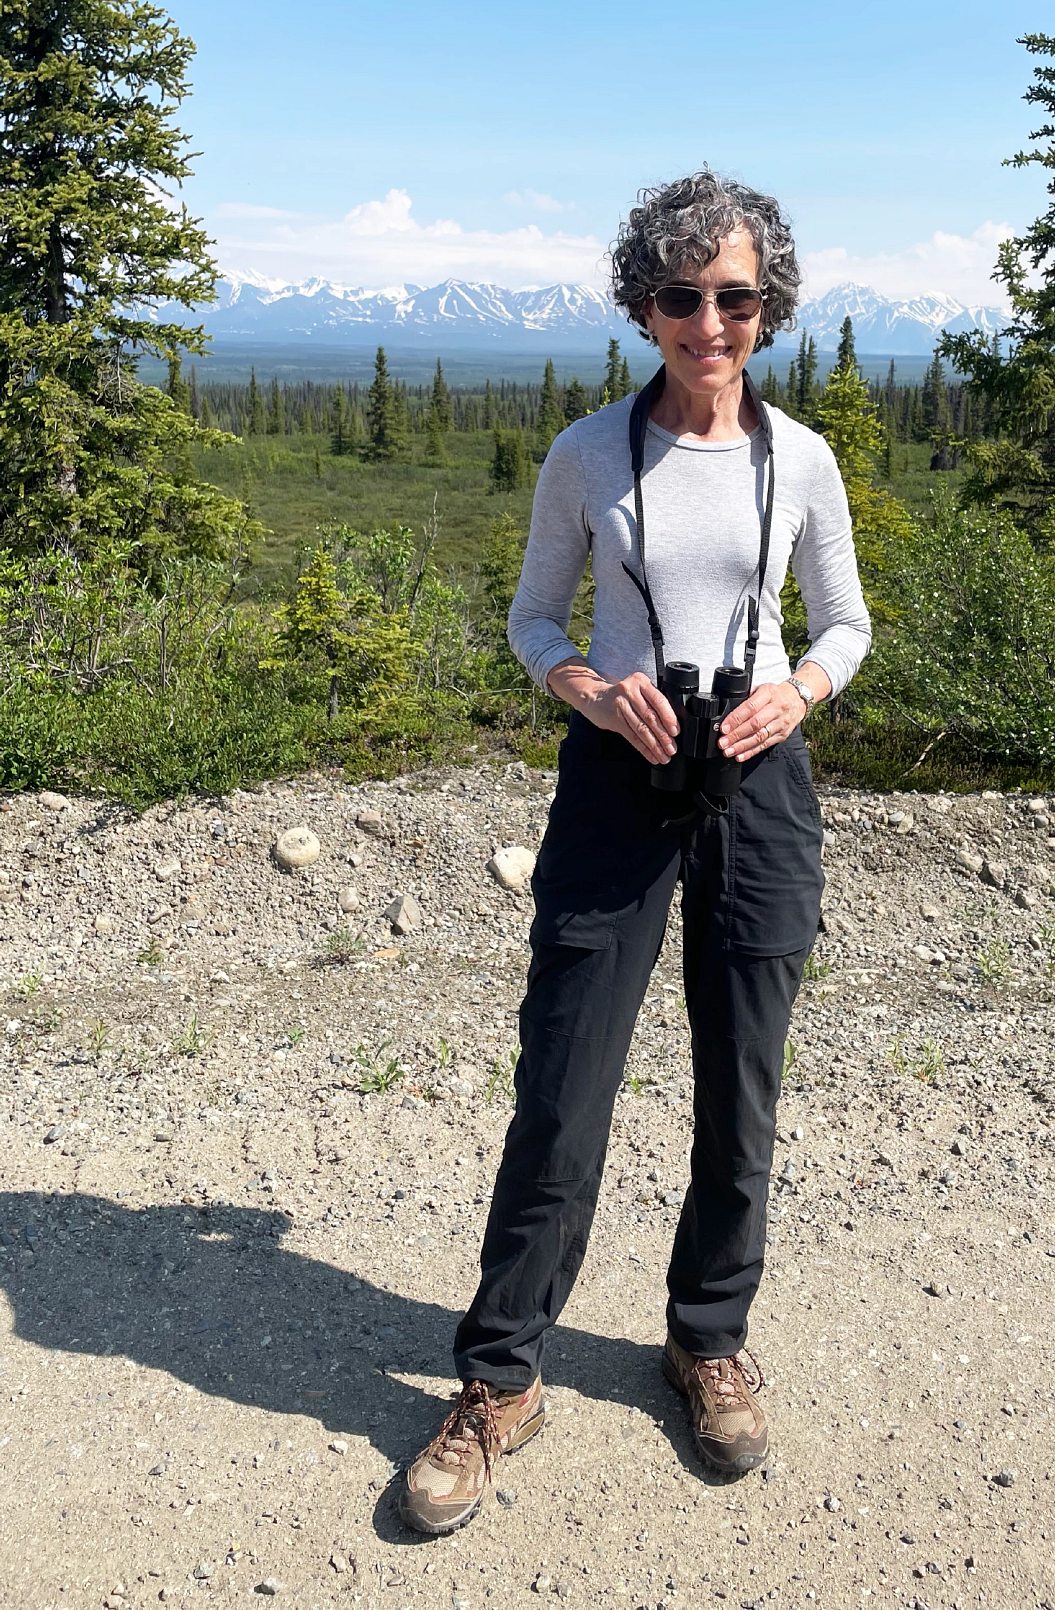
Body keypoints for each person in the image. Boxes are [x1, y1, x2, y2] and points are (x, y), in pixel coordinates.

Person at [400, 169, 871, 1535]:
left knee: (742, 1085)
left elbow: (844, 621)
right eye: (681, 296)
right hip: (617, 776)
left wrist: (798, 693)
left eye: (735, 297)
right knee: (563, 1084)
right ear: (643, 308)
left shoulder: (804, 460)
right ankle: (499, 1378)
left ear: (769, 307)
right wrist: (592, 693)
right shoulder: (588, 454)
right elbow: (533, 618)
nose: (709, 323)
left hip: (759, 781)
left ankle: (706, 1340)